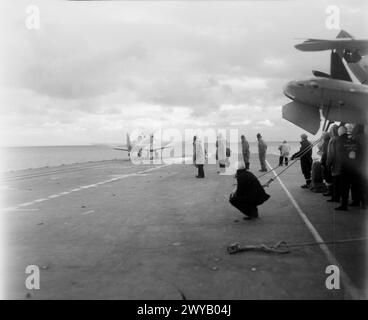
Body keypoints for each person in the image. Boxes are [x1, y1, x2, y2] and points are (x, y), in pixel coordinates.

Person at [326, 125, 341, 203]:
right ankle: (338, 197)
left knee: (335, 182)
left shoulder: (333, 140)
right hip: (342, 165)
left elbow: (331, 154)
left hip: (335, 164)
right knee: (340, 182)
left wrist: (328, 164)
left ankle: (335, 198)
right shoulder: (340, 139)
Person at [320, 131, 332, 196]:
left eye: (323, 136)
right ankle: (330, 190)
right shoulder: (329, 141)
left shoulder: (325, 143)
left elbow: (324, 154)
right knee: (329, 176)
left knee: (327, 176)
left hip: (326, 162)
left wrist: (322, 162)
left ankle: (329, 191)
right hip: (330, 161)